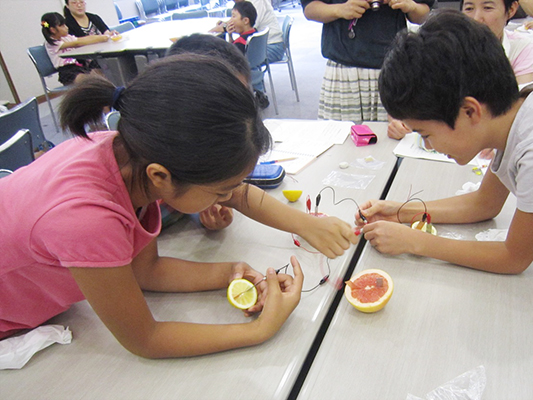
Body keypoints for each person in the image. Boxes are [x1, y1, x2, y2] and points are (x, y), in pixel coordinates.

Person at [0, 55, 305, 357]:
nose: (225, 200)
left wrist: (229, 272)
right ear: (161, 175)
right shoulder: (87, 219)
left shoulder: (132, 153)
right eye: (219, 191)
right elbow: (146, 339)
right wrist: (259, 330)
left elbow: (144, 270)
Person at [357, 10, 533, 274]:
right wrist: (400, 211)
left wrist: (415, 242)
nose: (429, 146)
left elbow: (513, 257)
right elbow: (485, 205)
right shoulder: (519, 110)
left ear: (469, 111)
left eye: (426, 134)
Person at [165, 34, 359, 258]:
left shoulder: (192, 155)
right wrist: (232, 273)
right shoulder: (133, 191)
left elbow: (238, 194)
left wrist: (307, 224)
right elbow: (144, 268)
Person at [387, 0, 533, 140]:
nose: (477, 18)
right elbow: (416, 93)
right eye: (469, 8)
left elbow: (519, 107)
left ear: (511, 9)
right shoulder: (444, 45)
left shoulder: (520, 48)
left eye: (488, 8)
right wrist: (399, 120)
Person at [301, 0, 432, 124]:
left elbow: (424, 13)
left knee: (393, 141)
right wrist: (340, 9)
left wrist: (411, 6)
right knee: (340, 140)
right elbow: (310, 8)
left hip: (392, 70)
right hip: (344, 71)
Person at [40, 12, 108, 85]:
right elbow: (77, 43)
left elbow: (82, 39)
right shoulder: (51, 43)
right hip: (66, 71)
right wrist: (100, 38)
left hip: (79, 67)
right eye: (62, 26)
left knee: (98, 64)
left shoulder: (66, 37)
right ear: (53, 30)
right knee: (89, 80)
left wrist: (102, 36)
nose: (66, 27)